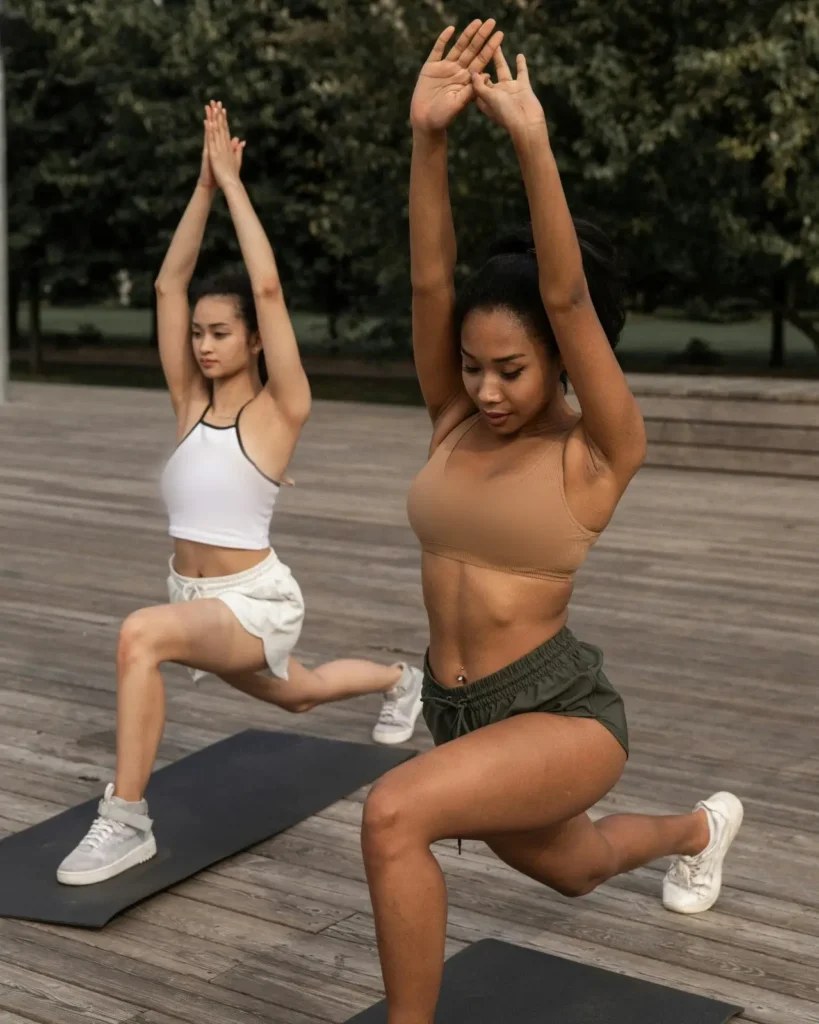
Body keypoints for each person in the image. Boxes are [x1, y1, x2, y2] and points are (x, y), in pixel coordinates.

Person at [359, 21, 744, 1021]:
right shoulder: (454, 416)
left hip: (560, 714)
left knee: (393, 812)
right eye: (474, 365)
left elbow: (566, 297)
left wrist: (532, 144)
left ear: (564, 364)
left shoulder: (596, 453)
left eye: (512, 370)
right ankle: (699, 830)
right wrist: (429, 142)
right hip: (460, 715)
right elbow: (430, 282)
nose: (484, 388)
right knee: (577, 866)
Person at [56, 101, 423, 887]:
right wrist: (200, 187)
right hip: (195, 594)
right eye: (197, 333)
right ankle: (402, 679)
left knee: (139, 636)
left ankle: (125, 821)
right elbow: (165, 283)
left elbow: (267, 286)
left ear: (252, 337)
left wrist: (235, 186)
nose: (203, 343)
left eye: (220, 331)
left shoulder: (277, 412)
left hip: (251, 604)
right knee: (303, 694)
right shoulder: (190, 406)